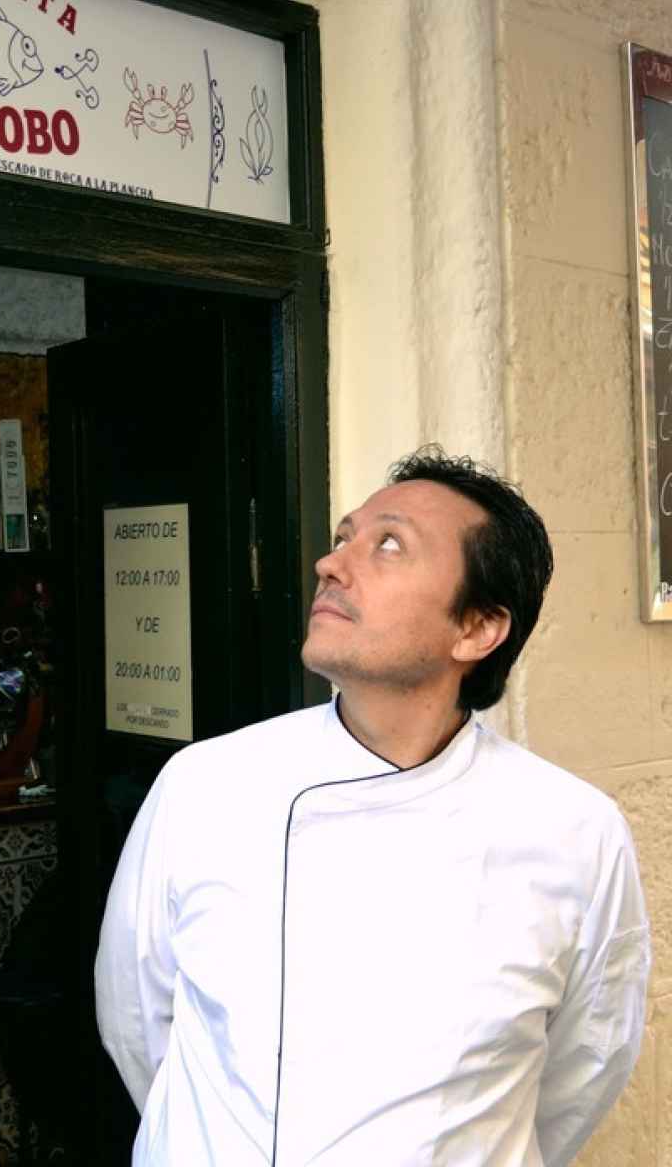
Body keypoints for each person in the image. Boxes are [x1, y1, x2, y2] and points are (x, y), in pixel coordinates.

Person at [95, 447, 650, 1167]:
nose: (333, 564)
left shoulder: (574, 830)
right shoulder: (205, 785)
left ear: (477, 628)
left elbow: (587, 1064)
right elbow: (137, 1020)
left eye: (388, 544)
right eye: (343, 537)